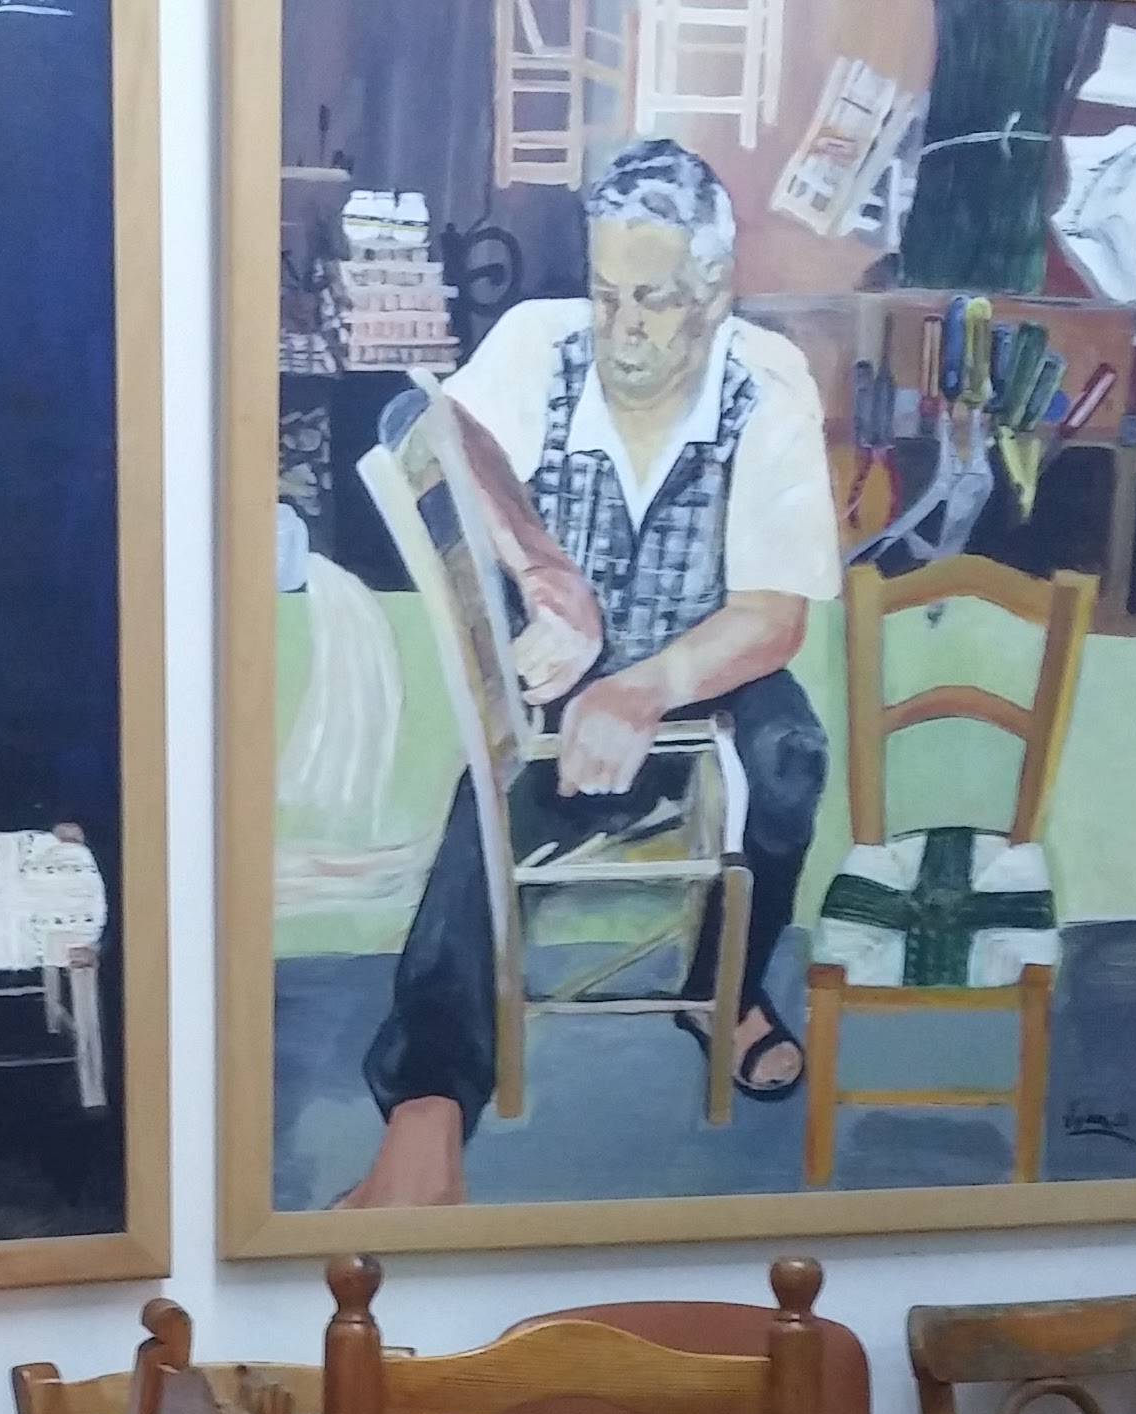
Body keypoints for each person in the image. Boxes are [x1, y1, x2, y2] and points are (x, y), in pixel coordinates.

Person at [335, 139, 841, 1208]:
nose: (621, 328)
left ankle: (727, 983)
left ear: (714, 290)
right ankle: (428, 1108)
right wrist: (541, 567)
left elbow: (772, 616)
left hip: (712, 667)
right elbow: (424, 422)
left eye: (651, 300)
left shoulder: (767, 384)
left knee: (791, 757)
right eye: (607, 294)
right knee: (487, 799)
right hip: (566, 680)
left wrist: (646, 685)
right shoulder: (539, 341)